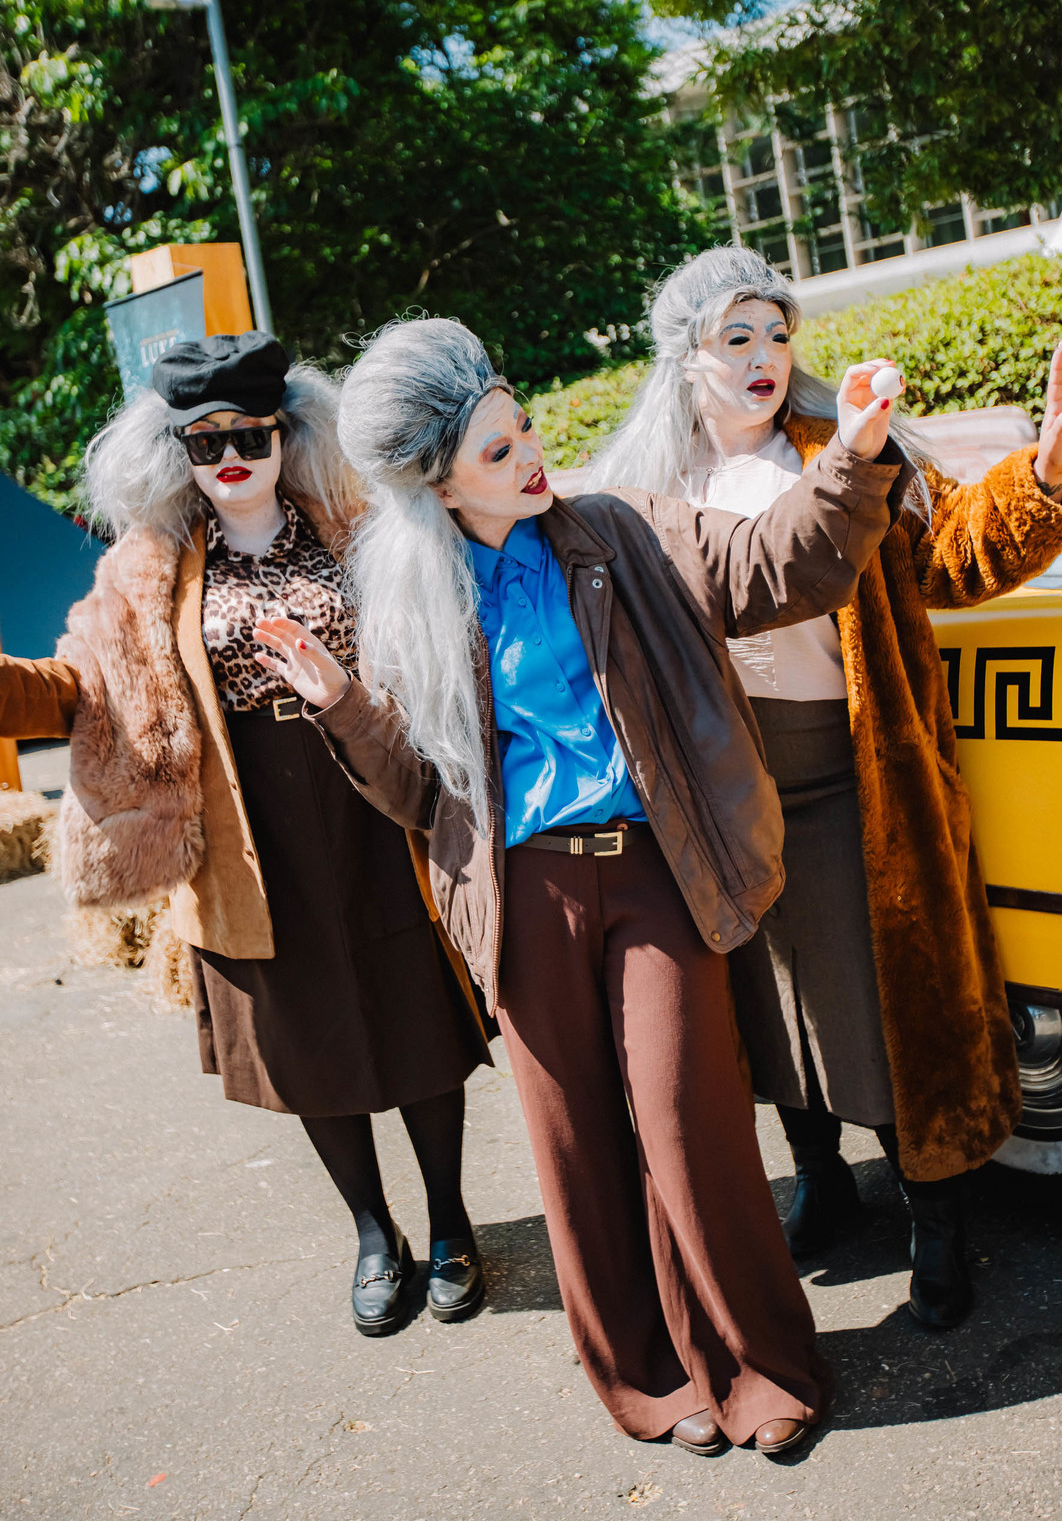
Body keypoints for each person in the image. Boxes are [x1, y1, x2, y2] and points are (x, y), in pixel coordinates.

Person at [254, 313, 912, 1455]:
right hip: (522, 898)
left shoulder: (622, 527)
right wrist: (343, 706)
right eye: (498, 449)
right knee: (579, 1149)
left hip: (655, 871)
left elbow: (774, 563)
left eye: (522, 425)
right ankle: (647, 1376)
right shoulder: (414, 599)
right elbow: (419, 794)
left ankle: (760, 1363)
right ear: (438, 484)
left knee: (691, 1123)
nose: (531, 454)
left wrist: (851, 456)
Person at [582, 244, 1062, 1330]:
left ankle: (937, 1215)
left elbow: (955, 554)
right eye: (737, 336)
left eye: (777, 332)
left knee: (885, 1008)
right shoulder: (642, 495)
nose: (765, 355)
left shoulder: (848, 445)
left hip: (860, 776)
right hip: (726, 790)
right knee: (765, 1009)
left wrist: (1045, 473)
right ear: (686, 356)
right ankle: (819, 1178)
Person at [0, 332, 491, 1336]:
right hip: (248, 838)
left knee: (420, 1020)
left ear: (287, 433)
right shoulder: (145, 569)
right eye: (204, 440)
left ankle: (449, 1222)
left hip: (375, 809)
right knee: (305, 1039)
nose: (229, 455)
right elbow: (75, 684)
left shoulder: (360, 523)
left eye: (250, 435)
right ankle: (374, 1233)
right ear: (174, 451)